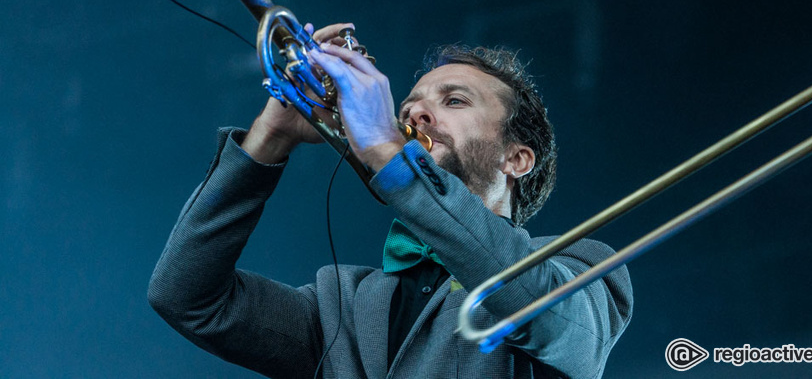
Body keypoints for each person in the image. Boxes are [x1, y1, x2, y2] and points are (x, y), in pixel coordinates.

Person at [148, 23, 633, 379]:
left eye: (455, 101)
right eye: (407, 108)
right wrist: (270, 137)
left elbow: (535, 306)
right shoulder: (342, 305)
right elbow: (187, 297)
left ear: (517, 159)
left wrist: (385, 148)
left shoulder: (587, 267)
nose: (416, 111)